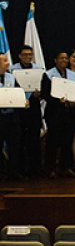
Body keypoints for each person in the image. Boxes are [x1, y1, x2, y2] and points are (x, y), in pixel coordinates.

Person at [41, 50, 75, 178]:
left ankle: (65, 167)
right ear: (55, 60)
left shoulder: (73, 75)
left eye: (66, 58)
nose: (64, 60)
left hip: (69, 113)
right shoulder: (48, 74)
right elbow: (45, 94)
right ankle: (50, 168)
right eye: (61, 58)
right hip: (54, 113)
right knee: (52, 142)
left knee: (67, 141)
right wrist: (58, 100)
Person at [10, 45, 42, 177]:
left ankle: (34, 169)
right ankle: (19, 169)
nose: (28, 57)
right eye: (25, 54)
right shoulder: (12, 71)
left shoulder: (38, 70)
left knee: (34, 139)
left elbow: (44, 89)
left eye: (30, 54)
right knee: (19, 139)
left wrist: (39, 93)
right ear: (19, 56)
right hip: (18, 107)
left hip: (34, 106)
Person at [0, 53, 23, 181]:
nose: (7, 62)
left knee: (15, 145)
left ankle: (14, 171)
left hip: (11, 117)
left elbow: (18, 92)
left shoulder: (11, 77)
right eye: (4, 60)